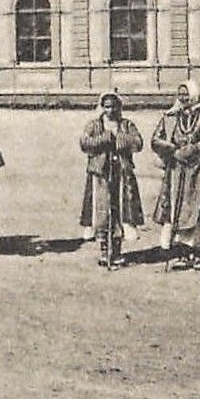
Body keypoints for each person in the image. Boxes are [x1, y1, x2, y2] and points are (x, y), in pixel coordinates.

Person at [152, 80, 200, 271]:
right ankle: (183, 254)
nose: (183, 98)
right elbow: (155, 140)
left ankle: (199, 254)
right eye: (180, 94)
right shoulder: (170, 116)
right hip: (177, 172)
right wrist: (172, 150)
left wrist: (197, 148)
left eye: (186, 94)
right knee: (177, 210)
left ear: (194, 94)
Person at [78, 91, 146, 267]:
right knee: (101, 211)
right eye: (107, 106)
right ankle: (104, 249)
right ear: (102, 107)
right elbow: (84, 143)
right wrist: (104, 139)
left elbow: (138, 143)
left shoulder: (126, 125)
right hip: (100, 175)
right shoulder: (94, 125)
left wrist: (120, 139)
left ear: (119, 107)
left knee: (120, 211)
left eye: (114, 106)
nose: (110, 110)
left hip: (121, 174)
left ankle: (116, 250)